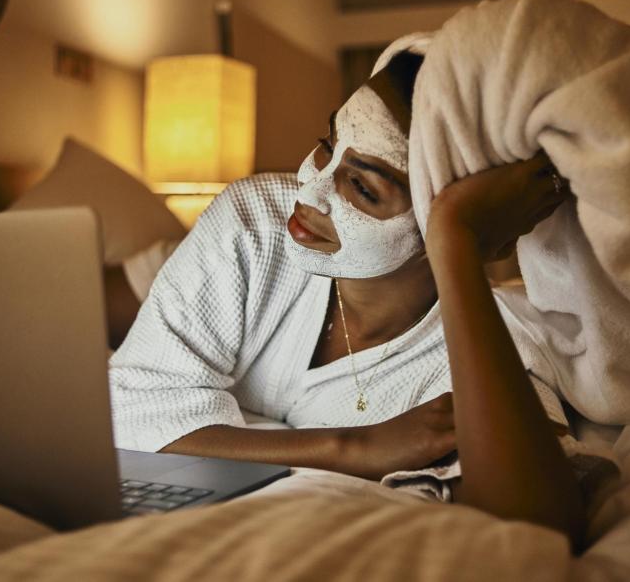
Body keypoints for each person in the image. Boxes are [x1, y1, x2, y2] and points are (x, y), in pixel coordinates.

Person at [109, 51, 584, 548]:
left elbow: (538, 528)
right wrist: (351, 446)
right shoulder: (255, 222)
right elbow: (130, 406)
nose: (308, 192)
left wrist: (458, 243)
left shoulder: (484, 346)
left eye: (361, 185)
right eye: (325, 146)